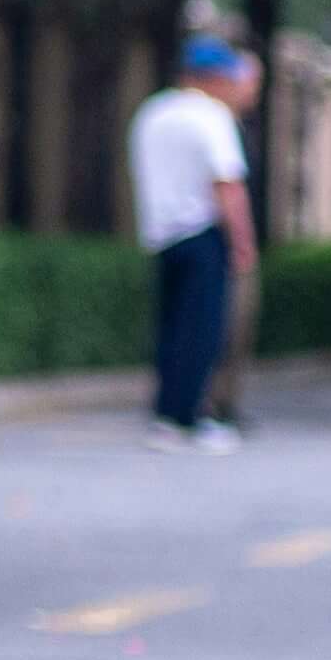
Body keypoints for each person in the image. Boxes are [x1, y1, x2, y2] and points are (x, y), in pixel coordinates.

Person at [128, 37, 261, 451]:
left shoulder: (153, 113)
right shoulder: (212, 117)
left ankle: (166, 413)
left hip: (162, 234)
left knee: (170, 328)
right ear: (213, 79)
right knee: (202, 330)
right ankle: (187, 418)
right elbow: (227, 186)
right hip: (203, 233)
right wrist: (243, 243)